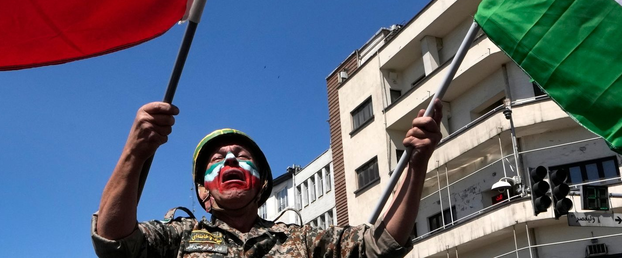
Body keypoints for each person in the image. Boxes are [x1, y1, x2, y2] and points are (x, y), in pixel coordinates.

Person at [92, 99, 443, 258]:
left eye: (243, 158)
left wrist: (416, 165)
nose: (230, 159)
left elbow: (380, 245)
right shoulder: (177, 238)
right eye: (217, 159)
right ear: (203, 192)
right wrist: (134, 153)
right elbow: (113, 241)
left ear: (261, 184)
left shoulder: (303, 241)